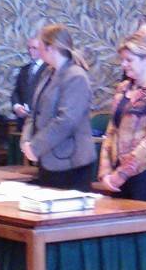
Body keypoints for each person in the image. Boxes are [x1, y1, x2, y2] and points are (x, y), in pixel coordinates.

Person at [97, 32, 146, 202]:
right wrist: (105, 170)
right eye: (123, 60)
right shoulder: (123, 88)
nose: (124, 65)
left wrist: (122, 174)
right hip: (118, 173)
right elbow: (111, 131)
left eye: (129, 60)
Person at [20, 24, 95, 190]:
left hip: (70, 163)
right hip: (48, 161)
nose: (38, 51)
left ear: (51, 48)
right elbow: (34, 112)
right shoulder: (48, 73)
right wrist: (26, 141)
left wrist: (36, 146)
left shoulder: (76, 76)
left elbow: (66, 121)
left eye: (40, 47)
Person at [9, 34, 47, 121]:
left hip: (41, 119)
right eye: (29, 48)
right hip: (23, 119)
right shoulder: (24, 69)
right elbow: (16, 91)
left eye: (34, 48)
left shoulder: (50, 68)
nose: (30, 51)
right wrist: (17, 106)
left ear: (42, 49)